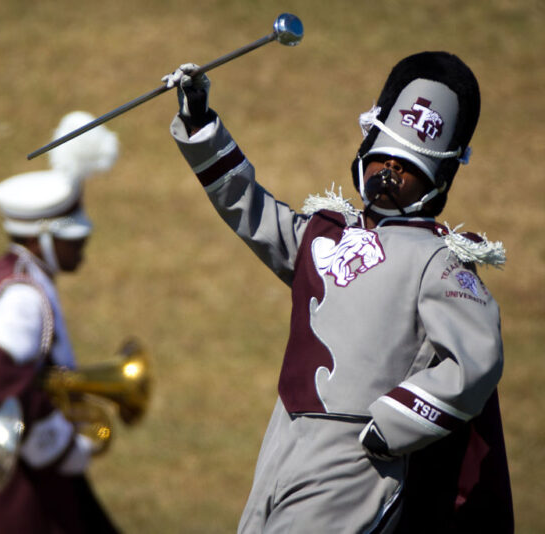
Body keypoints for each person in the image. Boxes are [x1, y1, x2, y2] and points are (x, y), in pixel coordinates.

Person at [163, 51, 512, 533]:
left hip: (358, 458)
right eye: (382, 157)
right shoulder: (322, 233)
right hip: (284, 434)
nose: (389, 173)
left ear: (439, 180)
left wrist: (393, 425)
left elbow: (477, 360)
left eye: (409, 166)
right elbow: (250, 208)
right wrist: (200, 122)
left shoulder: (441, 258)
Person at [0, 111, 121, 533]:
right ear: (42, 239)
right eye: (75, 239)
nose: (84, 247)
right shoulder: (20, 294)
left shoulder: (26, 278)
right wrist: (63, 445)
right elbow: (5, 385)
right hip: (23, 488)